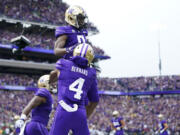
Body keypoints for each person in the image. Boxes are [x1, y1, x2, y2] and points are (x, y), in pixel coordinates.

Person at [49, 43, 99, 135]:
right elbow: (95, 100)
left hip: (63, 109)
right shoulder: (91, 73)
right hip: (80, 112)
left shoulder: (63, 63)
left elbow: (53, 75)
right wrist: (85, 117)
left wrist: (50, 82)